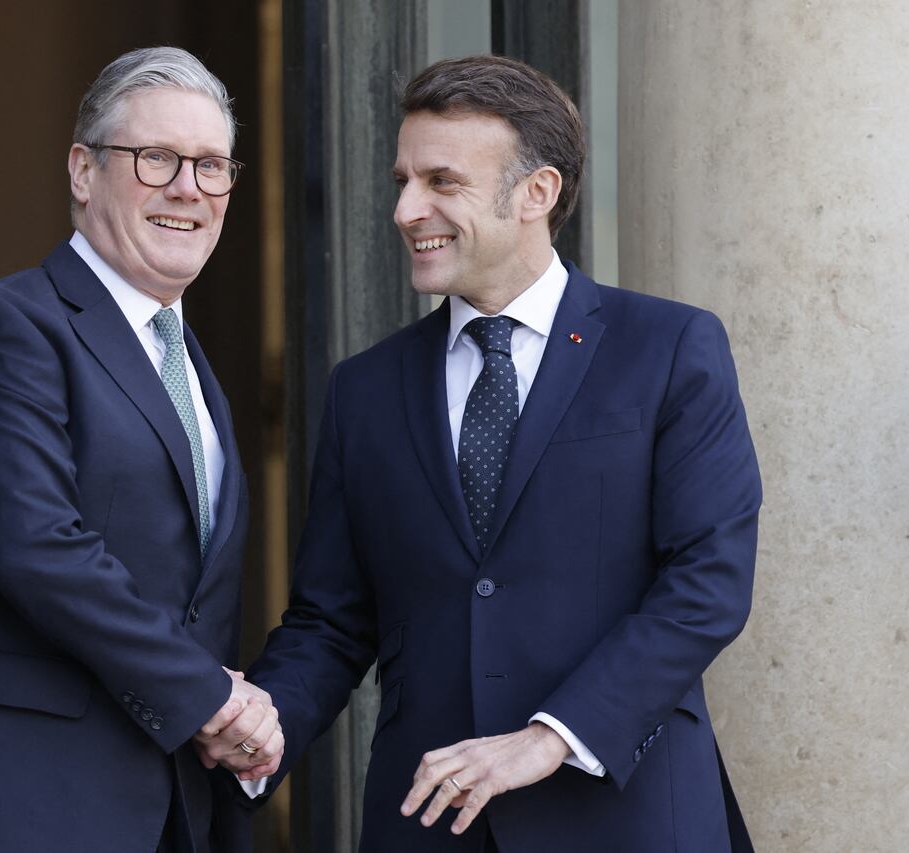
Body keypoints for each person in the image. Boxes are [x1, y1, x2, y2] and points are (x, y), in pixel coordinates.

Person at [246, 55, 762, 851]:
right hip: (427, 823)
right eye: (402, 180)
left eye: (441, 182)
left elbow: (707, 583)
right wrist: (253, 731)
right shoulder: (365, 389)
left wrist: (551, 735)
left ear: (537, 193)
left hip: (626, 815)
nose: (405, 208)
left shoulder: (669, 348)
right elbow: (332, 620)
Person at [0, 47, 280, 853]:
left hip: (168, 813)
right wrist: (213, 701)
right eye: (156, 158)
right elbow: (37, 547)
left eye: (212, 165)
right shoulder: (7, 327)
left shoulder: (192, 370)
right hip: (14, 803)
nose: (188, 187)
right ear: (83, 172)